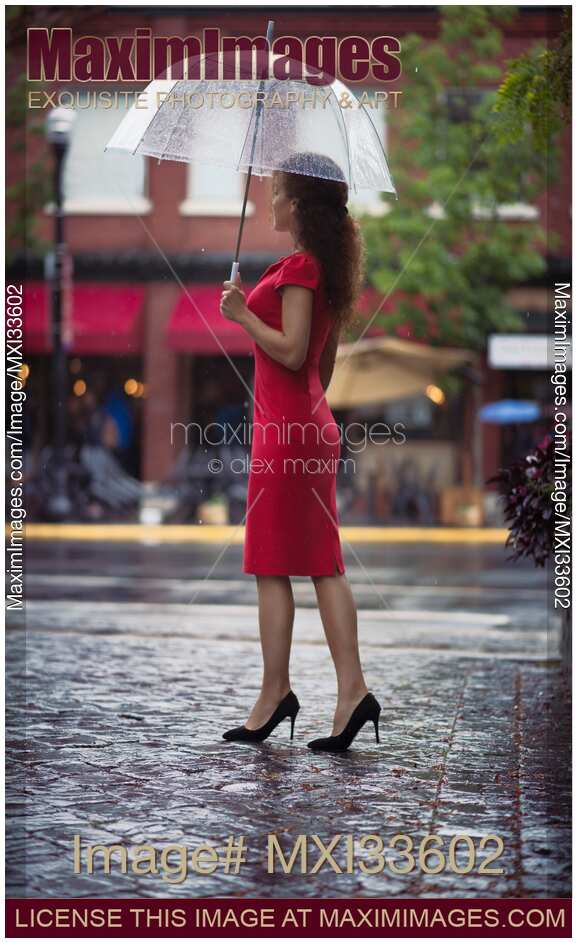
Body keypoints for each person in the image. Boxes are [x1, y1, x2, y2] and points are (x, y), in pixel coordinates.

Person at [219, 153, 381, 751]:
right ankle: (350, 693)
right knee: (320, 562)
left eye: (276, 191)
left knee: (273, 564)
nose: (268, 200)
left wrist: (242, 316)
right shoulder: (319, 269)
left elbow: (291, 352)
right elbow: (321, 363)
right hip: (304, 424)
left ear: (297, 204)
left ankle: (276, 693)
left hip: (287, 432)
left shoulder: (301, 268)